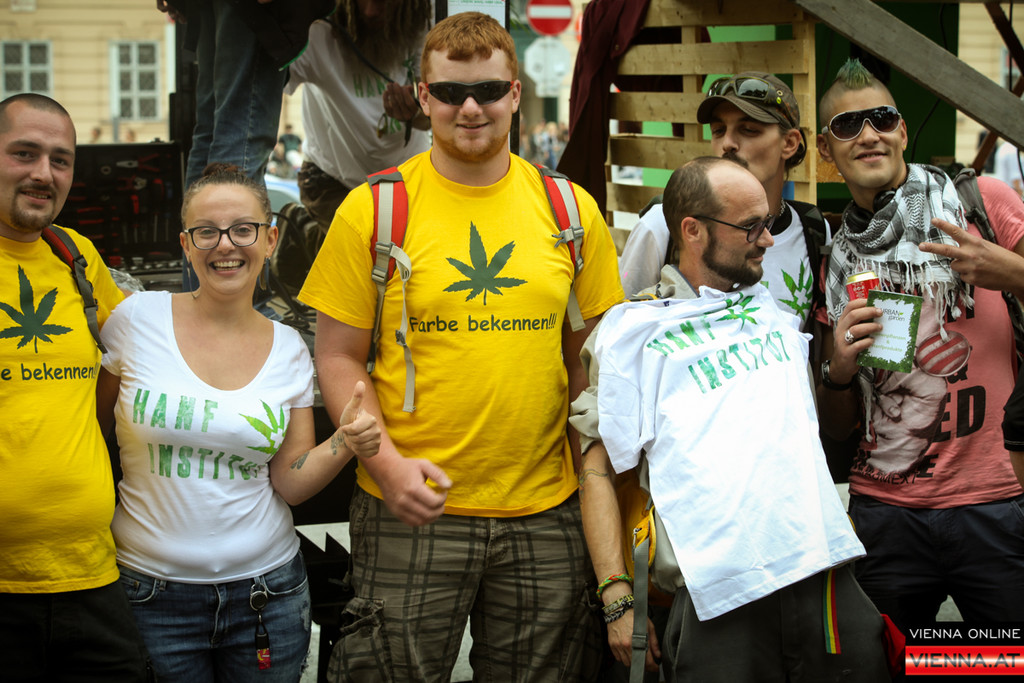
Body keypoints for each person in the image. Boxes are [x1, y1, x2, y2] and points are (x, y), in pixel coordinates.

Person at [299, 12, 623, 681]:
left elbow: (589, 367)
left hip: (545, 511)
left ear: (515, 94)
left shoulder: (570, 211)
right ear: (423, 97)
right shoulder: (374, 209)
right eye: (450, 93)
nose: (469, 108)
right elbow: (336, 355)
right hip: (408, 508)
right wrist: (389, 468)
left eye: (487, 91)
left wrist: (594, 494)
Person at [571, 156, 889, 682]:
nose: (767, 239)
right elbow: (598, 470)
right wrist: (616, 597)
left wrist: (839, 366)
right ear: (692, 230)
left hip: (825, 575)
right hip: (719, 597)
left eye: (768, 223)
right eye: (751, 226)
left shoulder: (773, 312)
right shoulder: (636, 332)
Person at [95, 163, 381, 682]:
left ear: (269, 240)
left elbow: (290, 482)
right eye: (206, 231)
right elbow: (93, 435)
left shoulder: (290, 348)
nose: (225, 244)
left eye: (243, 229)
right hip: (150, 594)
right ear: (186, 244)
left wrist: (345, 441)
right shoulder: (135, 320)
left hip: (267, 597)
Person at [816, 58, 1024, 629]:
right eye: (848, 125)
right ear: (825, 149)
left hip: (996, 501)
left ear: (902, 131)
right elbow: (837, 425)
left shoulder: (982, 202)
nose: (868, 134)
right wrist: (838, 369)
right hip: (887, 513)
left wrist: (1007, 271)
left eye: (882, 118)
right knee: (893, 663)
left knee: (1000, 662)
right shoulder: (837, 259)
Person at [0, 93, 149, 681]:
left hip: (92, 575)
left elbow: (149, 344)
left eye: (60, 160)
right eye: (24, 153)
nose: (44, 173)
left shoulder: (76, 257)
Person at [619, 72, 827, 334]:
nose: (727, 143)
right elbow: (623, 330)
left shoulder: (812, 230)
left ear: (790, 143)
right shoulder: (663, 224)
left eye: (749, 130)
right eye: (718, 130)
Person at [285, 0, 432, 232]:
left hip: (408, 178)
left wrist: (414, 113)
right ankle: (309, 234)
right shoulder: (318, 32)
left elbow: (434, 119)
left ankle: (311, 237)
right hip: (332, 179)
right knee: (365, 244)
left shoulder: (423, 24)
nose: (371, 11)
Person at [156, 0, 331, 187]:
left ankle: (206, 206)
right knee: (241, 133)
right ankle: (229, 205)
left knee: (210, 132)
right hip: (251, 8)